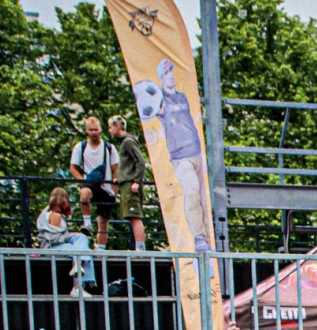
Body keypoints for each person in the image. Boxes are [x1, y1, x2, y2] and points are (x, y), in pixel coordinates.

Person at [152, 57, 215, 251]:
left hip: (196, 152)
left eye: (171, 71)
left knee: (203, 197)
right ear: (161, 77)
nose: (170, 75)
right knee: (192, 192)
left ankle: (206, 238)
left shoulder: (182, 97)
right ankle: (199, 237)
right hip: (181, 156)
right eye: (166, 73)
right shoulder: (160, 100)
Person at [34, 188, 97, 289]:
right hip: (51, 247)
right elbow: (54, 239)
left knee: (82, 238)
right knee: (83, 251)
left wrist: (73, 235)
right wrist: (71, 235)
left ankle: (77, 269)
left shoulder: (49, 212)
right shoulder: (56, 216)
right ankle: (78, 286)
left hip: (58, 244)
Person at [70, 115, 119, 244]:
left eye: (96, 130)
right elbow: (73, 168)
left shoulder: (109, 148)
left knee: (103, 222)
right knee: (84, 193)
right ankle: (87, 223)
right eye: (91, 130)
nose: (94, 133)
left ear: (100, 129)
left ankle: (101, 250)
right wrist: (82, 181)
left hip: (106, 186)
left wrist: (114, 191)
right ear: (86, 130)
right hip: (90, 183)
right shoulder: (81, 147)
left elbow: (116, 170)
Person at [107, 115, 149, 250]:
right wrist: (119, 178)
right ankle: (138, 247)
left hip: (131, 185)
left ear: (117, 127)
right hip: (126, 183)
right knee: (131, 216)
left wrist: (136, 181)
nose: (109, 130)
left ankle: (140, 248)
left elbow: (140, 162)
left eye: (111, 127)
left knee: (135, 216)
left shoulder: (128, 142)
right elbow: (129, 164)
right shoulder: (124, 142)